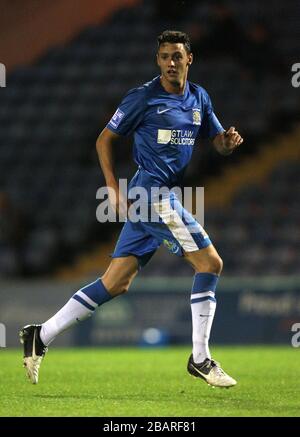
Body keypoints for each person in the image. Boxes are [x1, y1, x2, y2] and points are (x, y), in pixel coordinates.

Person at [20, 30, 243, 387]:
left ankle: (40, 335)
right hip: (151, 195)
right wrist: (112, 188)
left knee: (115, 282)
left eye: (177, 56)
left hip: (158, 196)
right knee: (210, 263)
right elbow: (104, 139)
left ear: (190, 59)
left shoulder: (200, 97)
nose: (171, 62)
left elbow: (216, 141)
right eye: (164, 56)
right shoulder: (143, 98)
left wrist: (227, 143)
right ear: (158, 61)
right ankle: (200, 358)